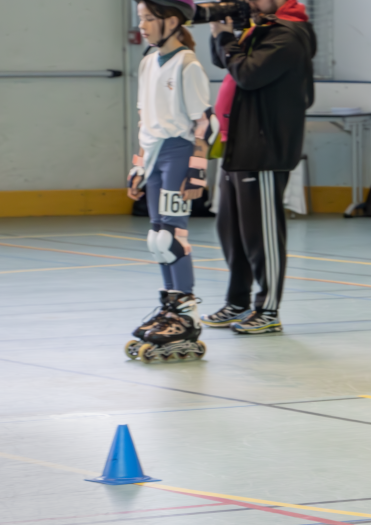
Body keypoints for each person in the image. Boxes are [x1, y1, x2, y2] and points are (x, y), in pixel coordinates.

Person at [202, 0, 316, 335]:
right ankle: (237, 302)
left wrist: (227, 39)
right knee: (232, 231)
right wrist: (220, 34)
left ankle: (267, 309)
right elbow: (224, 60)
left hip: (263, 148)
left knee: (261, 234)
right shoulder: (261, 29)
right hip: (237, 143)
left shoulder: (288, 35)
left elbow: (248, 74)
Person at [126, 0, 215, 362]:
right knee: (156, 239)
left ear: (172, 21)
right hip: (154, 155)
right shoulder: (148, 62)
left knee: (172, 237)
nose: (143, 25)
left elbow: (205, 123)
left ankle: (187, 317)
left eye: (149, 18)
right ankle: (171, 309)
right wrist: (138, 166)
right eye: (141, 18)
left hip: (178, 153)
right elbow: (144, 121)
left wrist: (197, 169)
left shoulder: (187, 64)